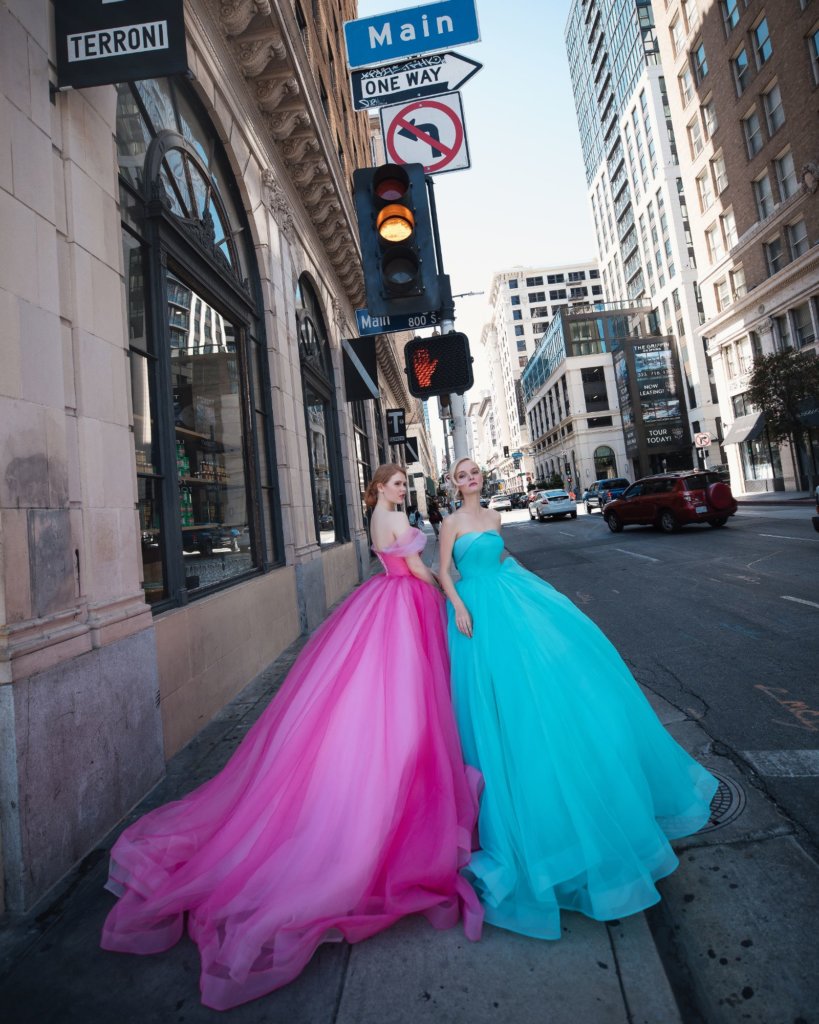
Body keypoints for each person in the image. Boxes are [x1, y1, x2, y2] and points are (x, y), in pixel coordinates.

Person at [101, 463, 482, 1010]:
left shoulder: (378, 518)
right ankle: (399, 799)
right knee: (405, 705)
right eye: (395, 483)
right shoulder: (392, 519)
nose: (401, 488)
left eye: (403, 483)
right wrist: (452, 593)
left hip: (383, 605)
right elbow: (418, 571)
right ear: (378, 488)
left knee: (371, 707)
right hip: (404, 606)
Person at [437, 455, 718, 940]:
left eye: (474, 473)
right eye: (461, 475)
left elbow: (501, 558)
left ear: (481, 478)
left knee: (544, 694)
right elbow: (444, 572)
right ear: (452, 483)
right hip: (476, 616)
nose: (469, 479)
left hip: (510, 602)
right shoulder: (451, 522)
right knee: (490, 706)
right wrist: (459, 607)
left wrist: (533, 586)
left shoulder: (493, 516)